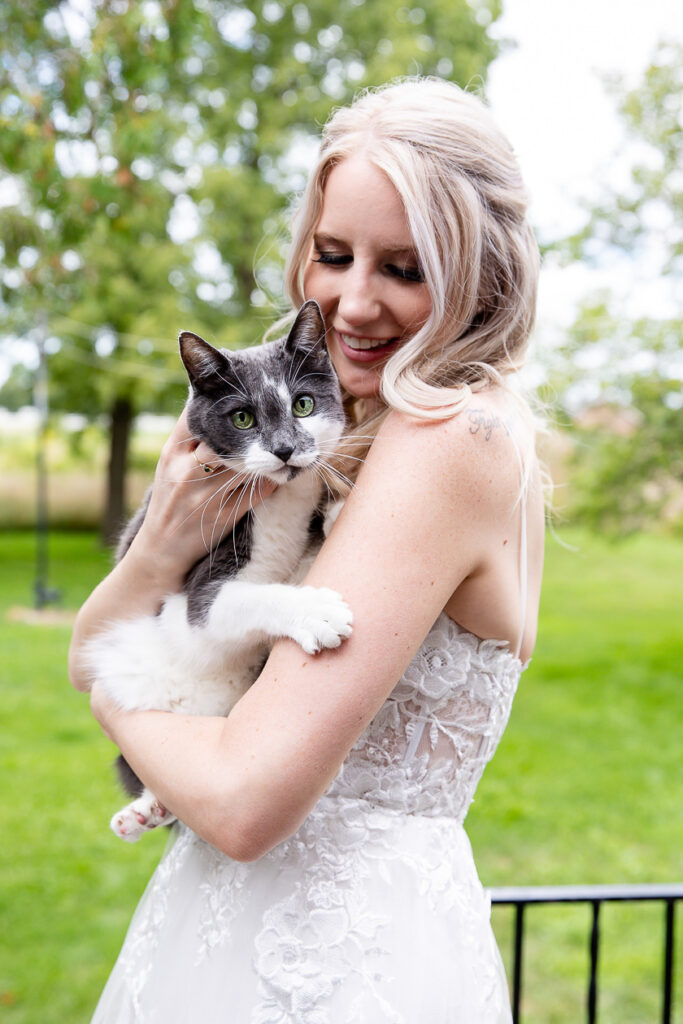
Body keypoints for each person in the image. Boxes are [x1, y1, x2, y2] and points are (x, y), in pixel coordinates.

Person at [69, 76, 544, 1024]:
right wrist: (162, 548)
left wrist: (101, 681)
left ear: (482, 276)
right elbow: (139, 621)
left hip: (327, 964)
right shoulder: (364, 431)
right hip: (259, 926)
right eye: (332, 255)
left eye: (404, 270)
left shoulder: (446, 439)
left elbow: (244, 800)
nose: (351, 303)